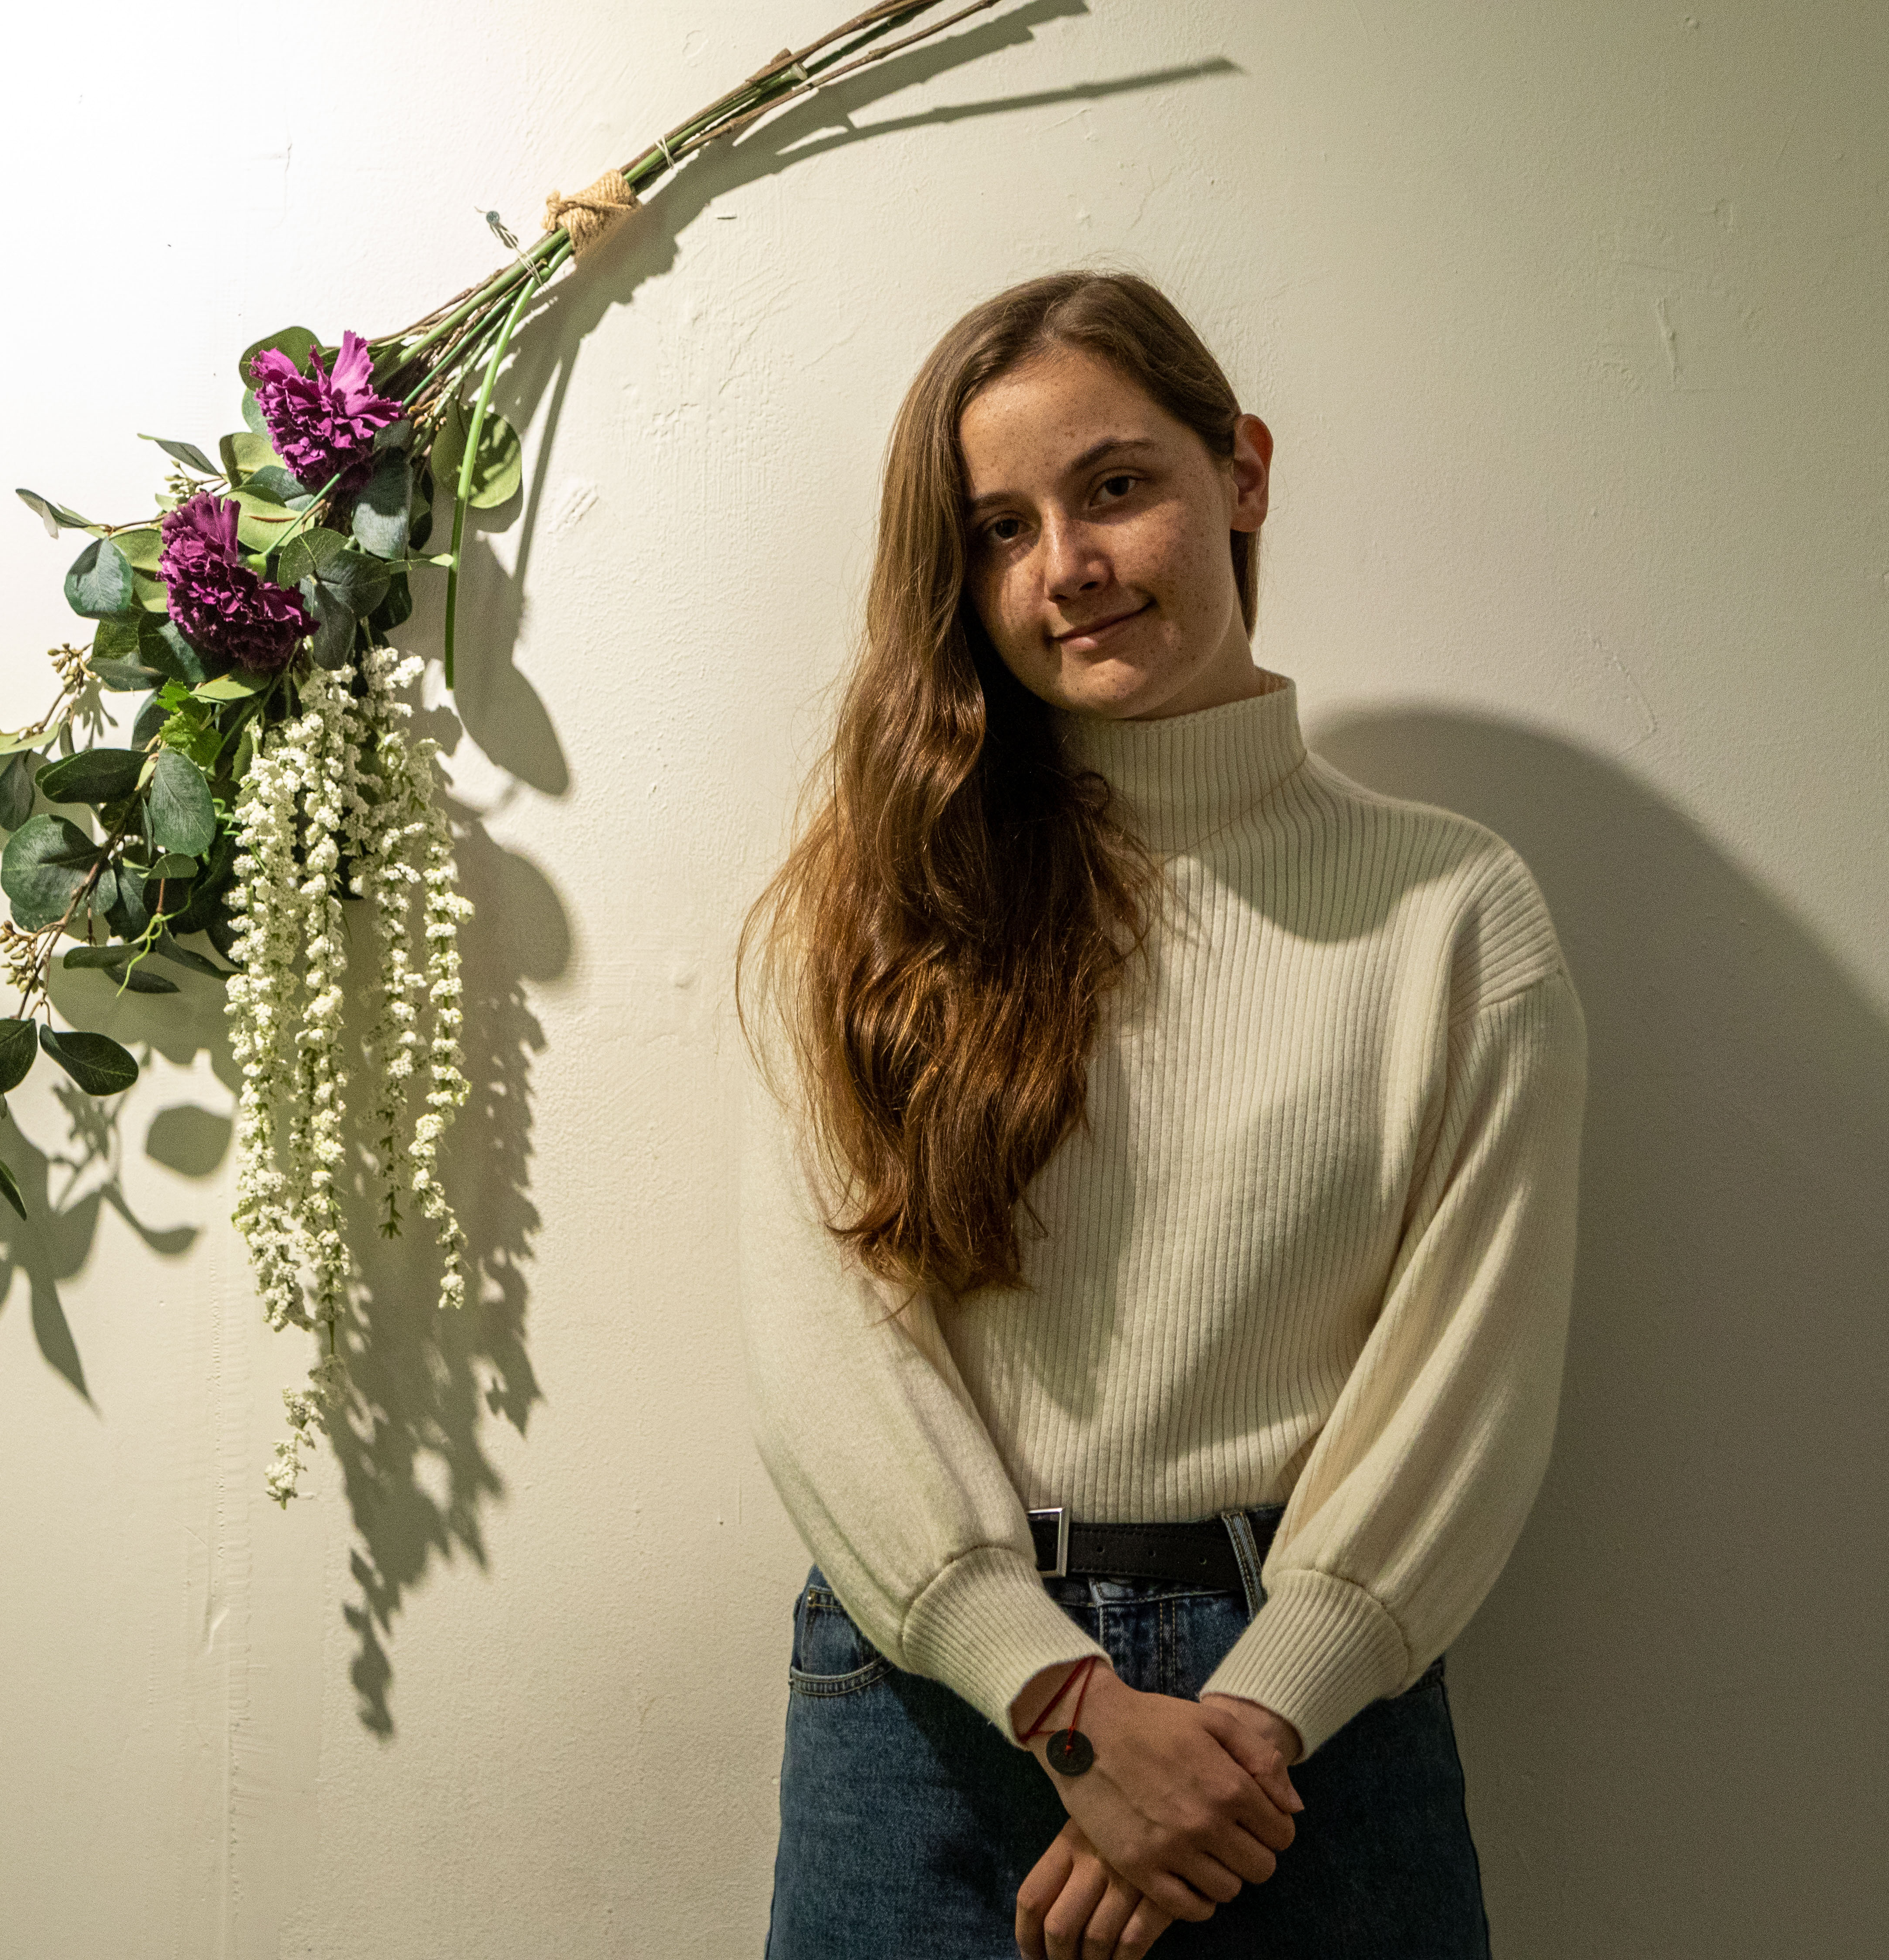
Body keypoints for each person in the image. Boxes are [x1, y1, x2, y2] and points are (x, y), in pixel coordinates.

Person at [735, 268, 1587, 1960]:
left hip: (1306, 1726)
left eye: (1116, 485)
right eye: (997, 528)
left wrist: (1246, 1725)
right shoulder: (876, 910)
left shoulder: (1451, 915)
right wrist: (1060, 1696)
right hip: (937, 1710)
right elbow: (824, 1353)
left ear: (1242, 475)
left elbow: (1466, 1379)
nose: (1070, 567)